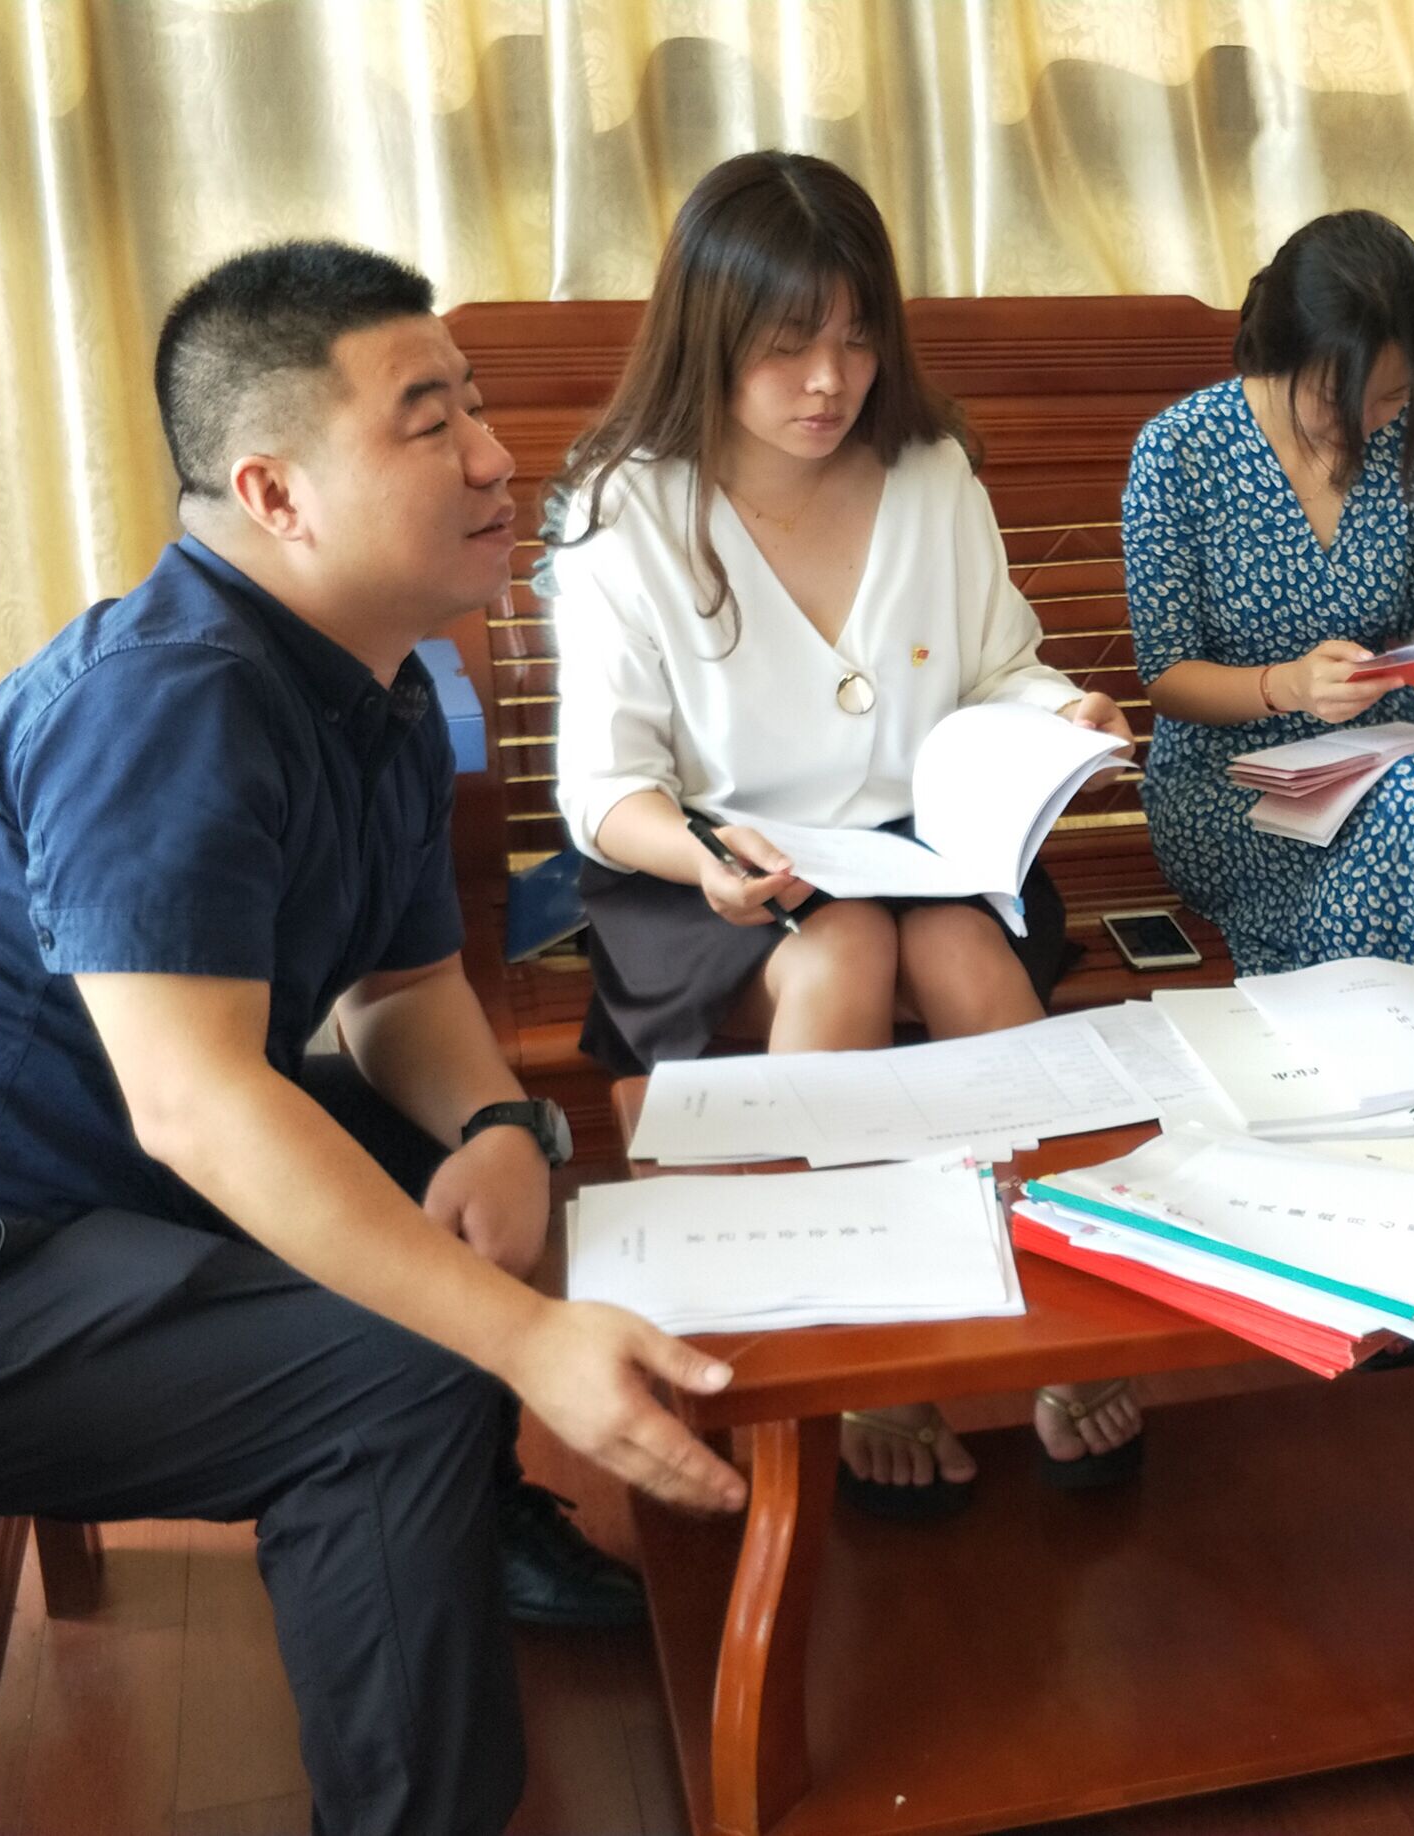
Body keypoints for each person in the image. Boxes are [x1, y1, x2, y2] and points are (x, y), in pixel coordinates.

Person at [0, 242, 750, 1836]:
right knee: (395, 1371)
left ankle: (459, 1515)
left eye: (477, 406)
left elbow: (400, 992)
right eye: (429, 420)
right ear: (275, 492)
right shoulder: (171, 698)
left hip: (56, 1197)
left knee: (443, 1160)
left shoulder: (377, 684)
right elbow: (194, 1106)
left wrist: (498, 1129)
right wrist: (519, 1341)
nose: (494, 455)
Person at [540, 149, 1143, 1515]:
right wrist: (701, 856)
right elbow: (605, 788)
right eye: (787, 345)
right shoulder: (626, 510)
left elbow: (999, 670)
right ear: (711, 337)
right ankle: (855, 1349)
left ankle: (1073, 1313)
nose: (830, 381)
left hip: (921, 850)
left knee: (963, 959)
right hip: (711, 880)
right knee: (846, 951)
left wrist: (1062, 714)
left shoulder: (928, 472)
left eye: (859, 339)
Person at [1121, 210, 1414, 980]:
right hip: (1230, 785)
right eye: (1336, 399)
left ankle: (1357, 1016)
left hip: (1387, 755)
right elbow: (1168, 678)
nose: (1366, 425)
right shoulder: (1179, 450)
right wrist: (1289, 686)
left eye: (1391, 398)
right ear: (1282, 356)